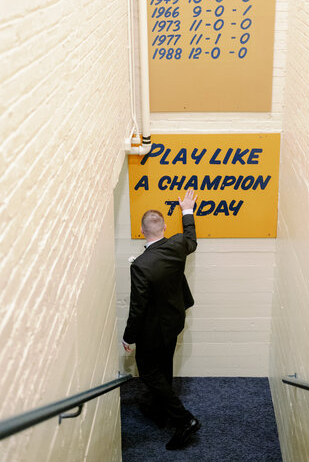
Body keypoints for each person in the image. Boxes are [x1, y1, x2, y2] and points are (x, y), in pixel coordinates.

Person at [122, 188, 200, 450]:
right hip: (175, 320)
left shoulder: (141, 265)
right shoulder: (178, 244)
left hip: (153, 329)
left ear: (142, 231)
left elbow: (138, 306)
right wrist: (187, 210)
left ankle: (184, 420)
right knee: (164, 363)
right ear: (165, 226)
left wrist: (128, 336)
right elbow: (192, 238)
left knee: (148, 372)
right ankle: (160, 409)